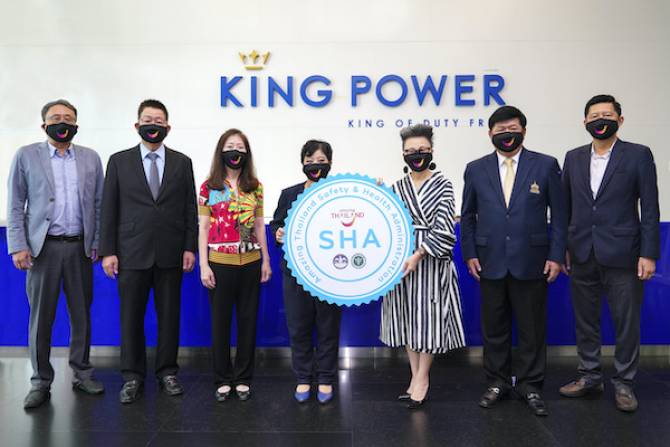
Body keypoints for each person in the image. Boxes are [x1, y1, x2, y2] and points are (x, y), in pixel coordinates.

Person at [460, 106, 566, 417]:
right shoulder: (475, 168)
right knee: (494, 327)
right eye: (501, 129)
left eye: (513, 128)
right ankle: (498, 382)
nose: (507, 134)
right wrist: (470, 253)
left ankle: (531, 385)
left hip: (533, 260)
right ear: (490, 133)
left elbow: (560, 215)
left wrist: (556, 255)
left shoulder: (545, 165)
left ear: (524, 131)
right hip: (488, 260)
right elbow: (468, 216)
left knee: (532, 328)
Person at [559, 95, 660, 412]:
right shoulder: (573, 157)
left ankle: (624, 383)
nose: (600, 120)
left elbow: (650, 208)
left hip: (624, 254)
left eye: (607, 114)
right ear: (584, 122)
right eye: (594, 116)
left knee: (626, 322)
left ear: (620, 119)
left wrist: (649, 253)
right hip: (581, 252)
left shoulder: (638, 155)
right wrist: (563, 247)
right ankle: (589, 376)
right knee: (585, 320)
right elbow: (564, 208)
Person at [6, 99, 105, 409]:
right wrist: (18, 245)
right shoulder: (26, 155)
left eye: (69, 118)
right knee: (41, 318)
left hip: (80, 248)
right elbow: (15, 203)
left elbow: (99, 204)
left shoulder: (91, 158)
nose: (63, 122)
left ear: (76, 124)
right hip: (42, 250)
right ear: (44, 124)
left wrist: (97, 241)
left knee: (81, 315)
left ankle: (82, 373)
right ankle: (40, 381)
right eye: (56, 117)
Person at [99, 99, 197, 404]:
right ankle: (132, 376)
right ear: (137, 125)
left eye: (159, 121)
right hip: (130, 252)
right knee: (131, 318)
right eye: (147, 120)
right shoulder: (119, 161)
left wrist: (189, 247)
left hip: (171, 252)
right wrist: (108, 251)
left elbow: (189, 208)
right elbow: (109, 208)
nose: (153, 125)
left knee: (169, 317)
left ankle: (167, 372)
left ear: (168, 127)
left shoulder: (182, 162)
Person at [380, 124, 466, 409]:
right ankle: (414, 375)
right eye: (410, 151)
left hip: (430, 260)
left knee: (429, 320)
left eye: (422, 150)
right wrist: (378, 196)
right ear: (402, 153)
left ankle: (423, 378)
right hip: (402, 261)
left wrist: (419, 254)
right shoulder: (397, 187)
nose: (416, 155)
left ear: (431, 151)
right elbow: (388, 220)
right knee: (408, 317)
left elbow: (445, 229)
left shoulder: (444, 185)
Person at [198, 129, 271, 402]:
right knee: (220, 323)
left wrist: (266, 260)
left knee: (247, 321)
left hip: (251, 262)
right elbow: (204, 227)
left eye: (240, 146)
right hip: (219, 264)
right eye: (230, 146)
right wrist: (204, 265)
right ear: (221, 151)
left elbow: (260, 225)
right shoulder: (210, 187)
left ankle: (242, 378)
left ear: (246, 152)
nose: (235, 151)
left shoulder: (255, 186)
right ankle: (222, 379)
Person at [269, 140, 341, 404]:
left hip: (331, 274)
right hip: (295, 273)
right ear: (302, 163)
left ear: (330, 163)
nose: (315, 166)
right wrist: (278, 233)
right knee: (298, 326)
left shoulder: (341, 193)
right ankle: (302, 377)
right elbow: (277, 223)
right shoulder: (289, 194)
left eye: (321, 161)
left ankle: (326, 378)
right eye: (309, 161)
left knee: (327, 328)